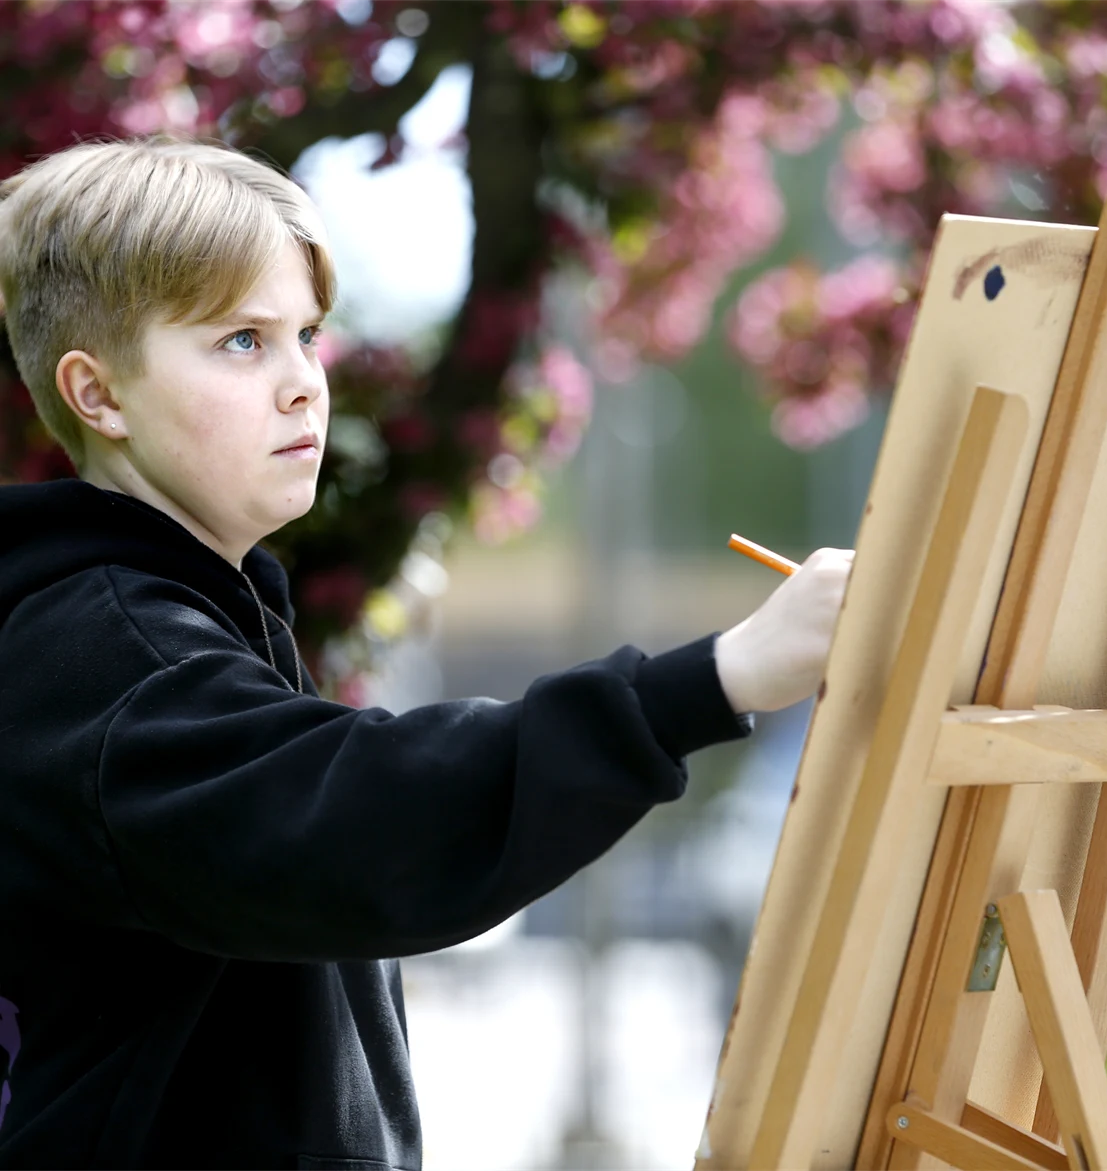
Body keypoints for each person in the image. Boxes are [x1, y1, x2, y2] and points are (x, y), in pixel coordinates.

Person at [0, 135, 853, 1171]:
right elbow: (361, 820)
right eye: (239, 341)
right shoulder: (103, 648)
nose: (303, 383)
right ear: (98, 395)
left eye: (307, 335)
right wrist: (712, 680)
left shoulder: (197, 617)